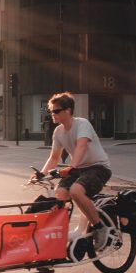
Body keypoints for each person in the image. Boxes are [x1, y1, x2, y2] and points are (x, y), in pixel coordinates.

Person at [34, 92, 113, 251]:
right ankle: (58, 234)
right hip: (79, 169)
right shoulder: (58, 132)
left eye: (56, 111)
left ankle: (99, 227)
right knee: (60, 193)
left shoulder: (82, 124)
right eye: (51, 111)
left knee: (76, 191)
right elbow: (54, 158)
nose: (53, 114)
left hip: (98, 167)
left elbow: (81, 147)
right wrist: (41, 174)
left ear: (68, 110)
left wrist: (71, 167)